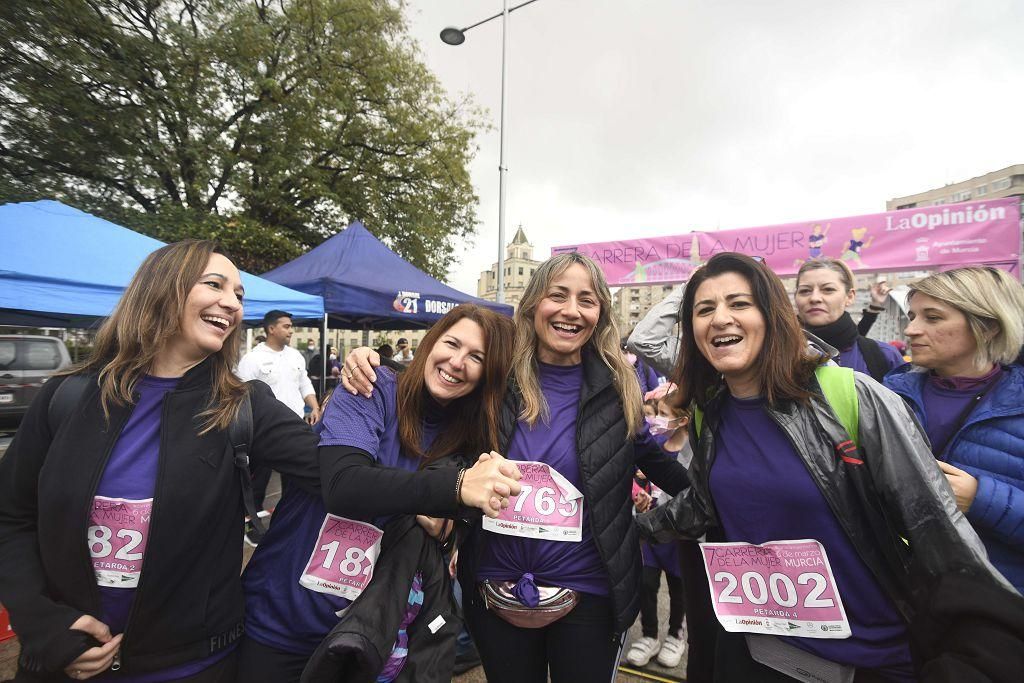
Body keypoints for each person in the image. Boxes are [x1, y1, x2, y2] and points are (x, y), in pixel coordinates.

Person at [636, 252, 1023, 681]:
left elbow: (940, 536)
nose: (720, 318)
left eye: (739, 303)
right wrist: (627, 527)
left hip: (872, 659)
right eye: (704, 309)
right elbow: (709, 505)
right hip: (758, 649)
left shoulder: (856, 396)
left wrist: (978, 660)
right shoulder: (713, 409)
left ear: (774, 316)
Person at [0, 240, 321, 682]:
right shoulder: (66, 395)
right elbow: (10, 518)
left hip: (194, 665)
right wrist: (42, 623)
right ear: (162, 288)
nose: (232, 302)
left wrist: (439, 482)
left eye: (240, 295)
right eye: (215, 284)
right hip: (61, 664)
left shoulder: (242, 405)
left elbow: (343, 472)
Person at [237, 304, 522, 682]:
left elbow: (458, 518)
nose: (456, 361)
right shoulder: (372, 386)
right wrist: (451, 489)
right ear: (431, 342)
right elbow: (344, 485)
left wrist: (455, 523)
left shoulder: (471, 437)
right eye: (451, 343)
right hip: (284, 617)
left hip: (370, 631)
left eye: (476, 357)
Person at [457, 252, 688, 683]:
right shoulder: (495, 380)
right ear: (532, 306)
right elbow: (436, 406)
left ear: (600, 313)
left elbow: (654, 462)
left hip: (589, 592)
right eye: (557, 295)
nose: (570, 311)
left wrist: (706, 504)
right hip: (496, 585)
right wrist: (372, 370)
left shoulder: (620, 388)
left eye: (586, 299)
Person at [884, 267, 1024, 594]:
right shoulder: (887, 394)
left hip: (993, 606)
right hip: (903, 594)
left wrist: (980, 497)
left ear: (987, 326)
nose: (911, 329)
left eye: (932, 318)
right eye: (912, 316)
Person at [626, 395, 691, 669]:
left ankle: (676, 635)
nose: (656, 420)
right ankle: (649, 634)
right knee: (646, 584)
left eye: (663, 413)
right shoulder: (654, 446)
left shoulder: (691, 452)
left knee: (679, 590)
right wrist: (639, 497)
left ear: (683, 419)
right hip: (651, 535)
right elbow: (639, 478)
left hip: (678, 537)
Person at [794, 258, 904, 381]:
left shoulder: (885, 356)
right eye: (805, 291)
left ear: (850, 297)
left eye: (828, 289)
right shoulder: (776, 355)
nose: (814, 298)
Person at [237, 310, 320, 424]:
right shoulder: (252, 359)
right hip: (267, 427)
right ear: (271, 329)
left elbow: (304, 385)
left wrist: (315, 407)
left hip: (297, 423)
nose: (291, 331)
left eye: (291, 327)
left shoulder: (295, 355)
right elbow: (242, 396)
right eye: (286, 327)